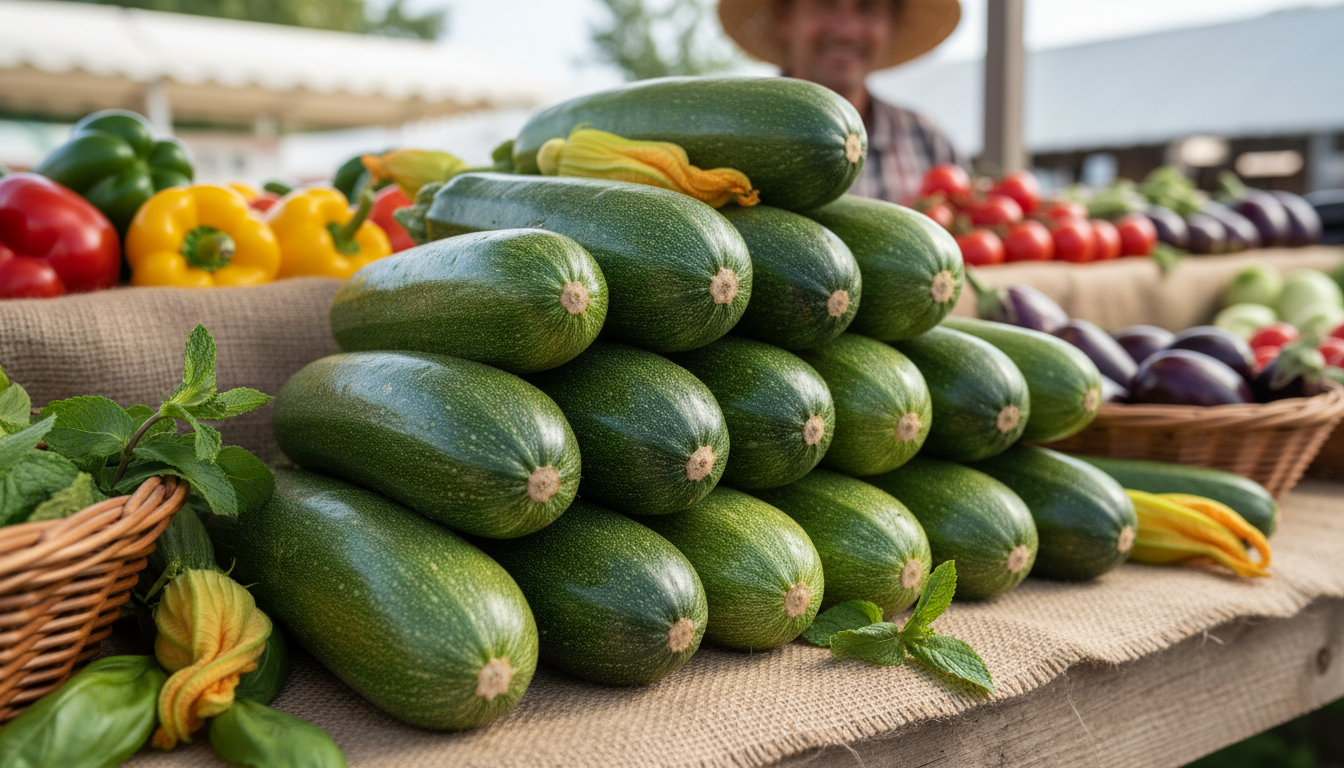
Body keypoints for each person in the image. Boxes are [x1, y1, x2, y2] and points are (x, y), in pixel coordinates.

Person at [718, 0, 967, 203]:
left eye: (868, 7)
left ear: (893, 23)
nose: (847, 31)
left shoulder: (928, 141)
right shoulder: (730, 140)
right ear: (784, 17)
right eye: (825, 4)